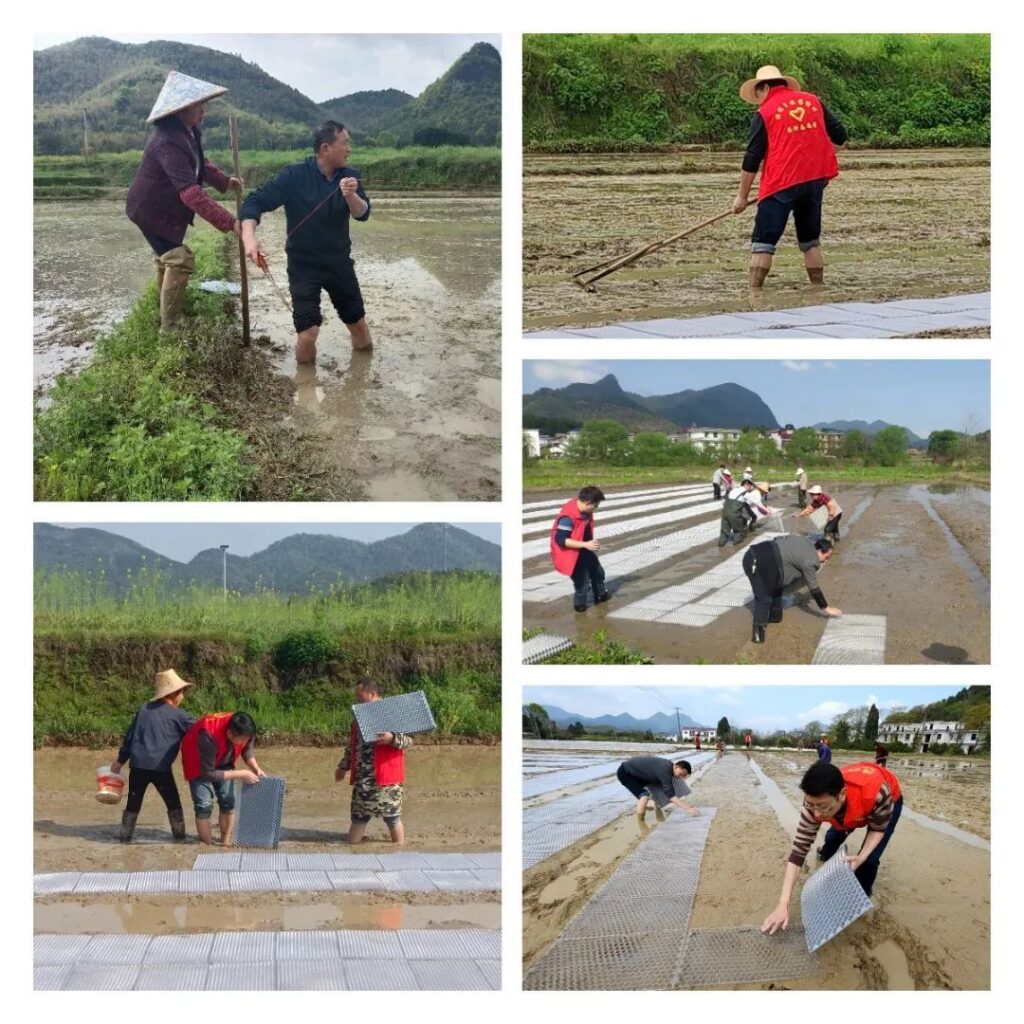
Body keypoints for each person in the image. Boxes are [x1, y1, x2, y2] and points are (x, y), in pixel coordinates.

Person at [241, 120, 372, 365]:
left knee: (359, 326)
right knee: (308, 333)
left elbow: (363, 213)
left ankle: (364, 376)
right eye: (345, 143)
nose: (349, 149)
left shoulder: (350, 177)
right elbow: (254, 202)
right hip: (303, 266)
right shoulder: (294, 175)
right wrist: (249, 238)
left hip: (339, 264)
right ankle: (305, 390)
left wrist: (351, 195)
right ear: (326, 148)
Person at [125, 71, 244, 330]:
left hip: (161, 209)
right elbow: (191, 193)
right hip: (150, 210)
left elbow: (200, 164)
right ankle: (170, 327)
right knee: (179, 259)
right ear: (181, 110)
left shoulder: (188, 132)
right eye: (198, 106)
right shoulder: (166, 140)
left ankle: (164, 314)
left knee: (166, 258)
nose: (203, 111)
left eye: (204, 105)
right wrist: (230, 222)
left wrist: (224, 182)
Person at [732, 64, 847, 288]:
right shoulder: (813, 101)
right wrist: (817, 159)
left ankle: (754, 295)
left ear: (764, 87)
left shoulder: (765, 112)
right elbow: (840, 136)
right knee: (810, 241)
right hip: (813, 182)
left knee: (763, 242)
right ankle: (818, 289)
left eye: (759, 95)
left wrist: (742, 197)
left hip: (780, 183)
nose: (760, 101)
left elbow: (752, 158)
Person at [762, 761, 903, 934]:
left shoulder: (878, 793)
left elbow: (877, 829)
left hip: (886, 799)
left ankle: (863, 894)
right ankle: (829, 861)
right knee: (832, 837)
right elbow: (798, 851)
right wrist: (783, 903)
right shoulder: (814, 803)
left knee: (869, 861)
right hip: (849, 802)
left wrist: (861, 857)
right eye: (811, 805)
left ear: (842, 794)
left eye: (822, 806)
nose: (817, 814)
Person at [111, 669, 196, 844]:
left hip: (138, 767)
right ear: (174, 694)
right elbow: (201, 732)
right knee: (173, 803)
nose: (183, 697)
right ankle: (180, 838)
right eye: (182, 693)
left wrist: (120, 761)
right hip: (161, 769)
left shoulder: (144, 709)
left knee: (133, 803)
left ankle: (124, 838)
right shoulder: (180, 716)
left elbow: (130, 737)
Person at [335, 678, 412, 845]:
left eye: (360, 697)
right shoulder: (359, 718)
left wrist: (392, 738)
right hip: (363, 780)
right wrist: (343, 767)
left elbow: (409, 741)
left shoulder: (393, 713)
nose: (357, 701)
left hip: (386, 780)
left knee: (392, 818)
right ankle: (352, 850)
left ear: (372, 694)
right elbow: (352, 746)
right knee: (358, 818)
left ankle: (399, 851)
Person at [181, 711, 265, 846]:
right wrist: (242, 774)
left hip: (224, 758)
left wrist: (256, 769)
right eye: (242, 739)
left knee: (229, 802)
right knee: (204, 805)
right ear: (230, 734)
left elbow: (246, 749)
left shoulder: (245, 729)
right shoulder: (208, 733)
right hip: (198, 761)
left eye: (247, 738)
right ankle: (206, 845)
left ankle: (225, 843)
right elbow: (208, 774)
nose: (245, 741)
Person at [742, 534, 843, 643]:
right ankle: (757, 634)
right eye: (826, 557)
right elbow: (814, 587)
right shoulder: (811, 561)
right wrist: (827, 609)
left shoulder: (804, 539)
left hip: (768, 557)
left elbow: (778, 539)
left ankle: (774, 617)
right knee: (764, 599)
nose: (825, 561)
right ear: (819, 551)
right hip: (754, 561)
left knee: (776, 611)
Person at [550, 485, 610, 612]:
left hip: (584, 548)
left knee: (598, 573)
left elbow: (584, 530)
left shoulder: (584, 511)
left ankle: (601, 595)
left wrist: (590, 543)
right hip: (571, 553)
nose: (595, 509)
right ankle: (580, 607)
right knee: (582, 583)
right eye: (596, 506)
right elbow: (560, 540)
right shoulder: (567, 517)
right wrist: (585, 544)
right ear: (588, 503)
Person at [616, 757, 700, 818]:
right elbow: (671, 796)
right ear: (676, 766)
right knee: (644, 796)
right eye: (681, 774)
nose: (681, 777)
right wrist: (689, 809)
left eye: (684, 776)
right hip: (626, 773)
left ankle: (658, 806)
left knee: (675, 782)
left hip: (642, 775)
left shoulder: (669, 767)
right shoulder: (665, 770)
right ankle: (641, 821)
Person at [719, 479, 767, 547]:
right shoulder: (745, 493)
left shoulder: (734, 490)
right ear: (747, 485)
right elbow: (757, 502)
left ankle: (721, 544)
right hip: (734, 513)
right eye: (750, 486)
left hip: (725, 512)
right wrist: (767, 510)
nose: (751, 488)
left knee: (724, 530)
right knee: (739, 530)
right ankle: (736, 545)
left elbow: (725, 501)